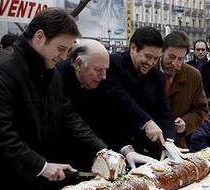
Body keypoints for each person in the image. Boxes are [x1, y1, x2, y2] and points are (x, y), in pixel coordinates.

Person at [0, 8, 110, 190]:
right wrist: (41, 166)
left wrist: (102, 150)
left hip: (40, 183)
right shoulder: (3, 69)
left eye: (67, 50)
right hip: (6, 184)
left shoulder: (52, 73)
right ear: (40, 37)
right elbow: (0, 131)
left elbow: (69, 116)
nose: (65, 57)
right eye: (61, 48)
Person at [57, 39, 156, 169]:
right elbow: (73, 122)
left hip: (93, 156)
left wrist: (126, 149)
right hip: (60, 159)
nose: (103, 76)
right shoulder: (57, 78)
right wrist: (105, 152)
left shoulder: (100, 82)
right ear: (78, 63)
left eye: (106, 70)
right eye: (98, 70)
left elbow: (108, 119)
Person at [93, 27, 177, 160]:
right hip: (110, 145)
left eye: (156, 59)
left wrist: (169, 142)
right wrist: (147, 122)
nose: (151, 63)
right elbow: (120, 99)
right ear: (133, 48)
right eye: (148, 56)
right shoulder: (113, 64)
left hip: (143, 150)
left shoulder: (158, 77)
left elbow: (164, 112)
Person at [161, 31, 208, 148]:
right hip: (144, 144)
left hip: (177, 145)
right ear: (162, 51)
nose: (174, 63)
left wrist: (185, 123)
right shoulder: (148, 69)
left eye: (180, 59)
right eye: (171, 57)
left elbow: (201, 110)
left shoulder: (193, 76)